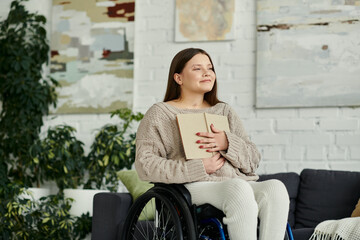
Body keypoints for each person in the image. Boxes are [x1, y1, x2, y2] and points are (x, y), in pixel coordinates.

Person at [135, 48, 289, 240]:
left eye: (210, 68)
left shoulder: (224, 111)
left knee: (276, 188)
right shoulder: (160, 113)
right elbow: (145, 165)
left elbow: (253, 160)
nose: (207, 73)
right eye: (197, 68)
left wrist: (227, 143)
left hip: (233, 183)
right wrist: (198, 167)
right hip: (191, 187)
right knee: (237, 189)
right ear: (178, 78)